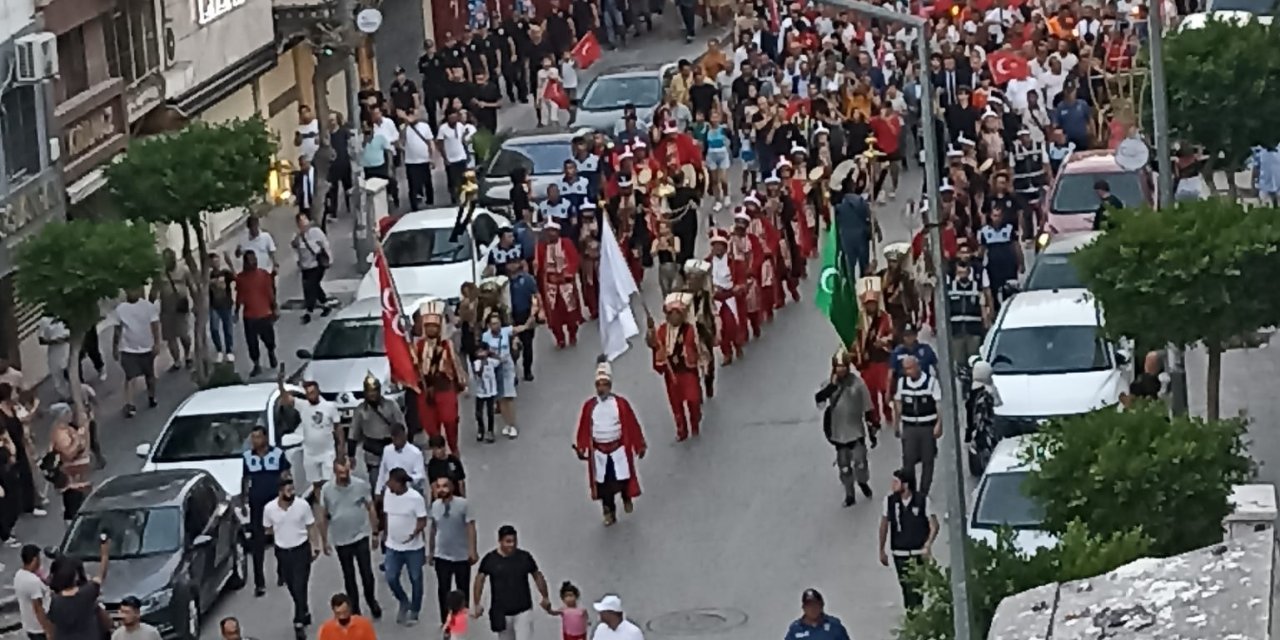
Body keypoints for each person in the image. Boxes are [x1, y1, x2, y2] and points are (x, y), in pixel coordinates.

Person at [574, 360, 647, 526]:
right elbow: (584, 428)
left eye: (605, 384)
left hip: (618, 451)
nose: (602, 388)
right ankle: (609, 511)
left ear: (610, 385)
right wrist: (581, 447)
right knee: (604, 485)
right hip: (600, 454)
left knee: (621, 479)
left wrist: (639, 445)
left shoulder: (620, 404)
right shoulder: (589, 406)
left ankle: (626, 495)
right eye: (599, 385)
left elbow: (632, 425)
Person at [318, 458, 382, 619]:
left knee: (367, 573)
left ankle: (371, 599)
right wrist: (324, 540)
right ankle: (355, 608)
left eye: (346, 472)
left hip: (360, 536)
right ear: (334, 472)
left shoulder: (360, 485)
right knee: (349, 576)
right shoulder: (327, 490)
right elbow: (324, 515)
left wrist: (375, 532)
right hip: (341, 539)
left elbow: (370, 507)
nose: (344, 475)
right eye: (340, 473)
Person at [815, 348, 877, 507]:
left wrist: (872, 428)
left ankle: (863, 482)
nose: (841, 369)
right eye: (838, 366)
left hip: (856, 432)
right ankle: (850, 494)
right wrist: (831, 387)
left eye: (843, 366)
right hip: (839, 433)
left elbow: (868, 407)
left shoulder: (858, 384)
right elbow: (820, 401)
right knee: (844, 468)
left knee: (860, 463)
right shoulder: (829, 384)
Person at [472, 525, 553, 640]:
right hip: (501, 613)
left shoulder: (524, 557)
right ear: (500, 541)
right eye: (508, 541)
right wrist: (477, 603)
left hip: (523, 610)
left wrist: (545, 596)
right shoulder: (490, 559)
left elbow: (537, 576)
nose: (512, 545)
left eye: (514, 541)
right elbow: (479, 580)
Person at [263, 477, 320, 638]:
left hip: (301, 549)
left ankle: (298, 621)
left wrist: (315, 545)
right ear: (280, 492)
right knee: (292, 585)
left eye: (293, 490)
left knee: (300, 583)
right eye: (288, 491)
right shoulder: (269, 509)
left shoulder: (302, 505)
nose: (291, 493)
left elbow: (310, 526)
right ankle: (304, 609)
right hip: (282, 552)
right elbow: (267, 529)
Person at [645, 294, 704, 441]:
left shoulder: (690, 329)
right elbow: (653, 343)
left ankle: (695, 422)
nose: (674, 317)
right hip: (672, 374)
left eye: (677, 314)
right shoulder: (662, 331)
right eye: (671, 314)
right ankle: (682, 430)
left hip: (688, 371)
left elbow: (698, 347)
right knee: (676, 404)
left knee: (693, 400)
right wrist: (651, 331)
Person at [877, 468, 938, 610]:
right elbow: (884, 524)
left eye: (896, 482)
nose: (892, 485)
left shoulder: (922, 500)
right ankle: (912, 615)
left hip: (918, 552)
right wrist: (881, 549)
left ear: (906, 485)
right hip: (900, 552)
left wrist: (928, 544)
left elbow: (934, 525)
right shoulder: (890, 501)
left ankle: (917, 613)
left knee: (917, 586)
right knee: (906, 587)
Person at [241, 421, 291, 597]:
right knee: (258, 543)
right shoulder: (247, 457)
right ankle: (259, 582)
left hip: (275, 502)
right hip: (257, 505)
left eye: (258, 437)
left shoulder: (278, 454)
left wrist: (287, 498)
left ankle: (282, 572)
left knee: (279, 538)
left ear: (266, 438)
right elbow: (245, 480)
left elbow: (285, 475)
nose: (255, 441)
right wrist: (243, 501)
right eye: (253, 438)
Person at [416, 300, 468, 454]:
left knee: (450, 420)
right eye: (428, 326)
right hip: (426, 391)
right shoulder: (418, 346)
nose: (432, 329)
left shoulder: (447, 345)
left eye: (434, 326)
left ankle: (454, 449)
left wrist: (461, 382)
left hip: (444, 388)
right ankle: (437, 452)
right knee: (431, 426)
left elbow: (455, 364)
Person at [381, 467, 429, 626]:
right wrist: (385, 534)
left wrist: (414, 533)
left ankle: (415, 610)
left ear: (400, 484)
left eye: (392, 482)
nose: (388, 485)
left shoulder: (415, 498)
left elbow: (422, 519)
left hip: (413, 548)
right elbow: (387, 515)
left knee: (415, 578)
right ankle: (403, 600)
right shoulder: (388, 494)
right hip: (393, 545)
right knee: (391, 577)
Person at [428, 475, 479, 623]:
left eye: (445, 486)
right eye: (438, 486)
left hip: (461, 555)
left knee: (462, 590)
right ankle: (446, 622)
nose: (441, 490)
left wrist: (472, 550)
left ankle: (462, 622)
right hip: (442, 555)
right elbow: (433, 528)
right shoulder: (435, 506)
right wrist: (431, 551)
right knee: (443, 589)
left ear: (451, 487)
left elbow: (470, 527)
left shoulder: (463, 505)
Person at [893, 356, 943, 497]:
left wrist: (939, 423)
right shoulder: (902, 383)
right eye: (906, 369)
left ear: (918, 366)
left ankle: (924, 492)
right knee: (908, 460)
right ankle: (912, 490)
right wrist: (897, 424)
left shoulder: (931, 382)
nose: (909, 372)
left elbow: (938, 404)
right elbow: (898, 402)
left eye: (911, 368)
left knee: (928, 460)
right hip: (909, 426)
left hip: (927, 426)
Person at [46, 537, 110, 640]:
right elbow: (101, 575)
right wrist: (105, 553)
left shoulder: (54, 601)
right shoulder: (87, 593)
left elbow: (51, 628)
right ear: (75, 577)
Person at [112, 287, 160, 417]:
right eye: (129, 290)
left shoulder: (148, 307)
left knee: (149, 376)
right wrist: (115, 347)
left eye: (134, 290)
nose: (132, 292)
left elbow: (155, 326)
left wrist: (157, 343)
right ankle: (130, 404)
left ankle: (152, 396)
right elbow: (117, 330)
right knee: (130, 377)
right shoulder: (120, 309)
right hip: (128, 349)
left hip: (146, 347)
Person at [535, 222, 582, 348]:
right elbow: (538, 266)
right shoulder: (542, 246)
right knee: (554, 316)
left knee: (571, 312)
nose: (551, 234)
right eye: (548, 231)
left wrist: (569, 273)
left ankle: (572, 334)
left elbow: (574, 259)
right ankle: (559, 338)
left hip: (566, 285)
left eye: (553, 230)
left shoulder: (566, 243)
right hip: (551, 286)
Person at [349, 375, 404, 478]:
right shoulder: (360, 411)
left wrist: (402, 446)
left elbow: (402, 426)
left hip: (392, 450)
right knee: (376, 486)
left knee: (396, 483)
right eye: (369, 391)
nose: (372, 394)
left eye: (374, 391)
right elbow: (353, 433)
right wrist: (351, 455)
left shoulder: (391, 405)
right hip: (372, 454)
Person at [235, 250, 278, 377]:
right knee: (252, 342)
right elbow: (239, 296)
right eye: (250, 260)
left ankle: (271, 352)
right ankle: (256, 364)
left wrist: (274, 307)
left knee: (269, 338)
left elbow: (270, 292)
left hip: (264, 313)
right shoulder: (241, 278)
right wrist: (236, 311)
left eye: (254, 259)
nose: (253, 262)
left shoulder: (263, 275)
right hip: (250, 316)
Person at [478, 312, 522, 438]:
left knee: (509, 397)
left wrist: (532, 318)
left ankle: (512, 425)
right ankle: (507, 424)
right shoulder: (485, 336)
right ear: (488, 325)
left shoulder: (506, 331)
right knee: (500, 398)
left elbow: (520, 328)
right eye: (492, 324)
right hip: (494, 369)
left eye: (497, 323)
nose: (495, 326)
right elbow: (484, 351)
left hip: (507, 368)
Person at [47, 402, 93, 521]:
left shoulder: (67, 428)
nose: (71, 414)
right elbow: (68, 454)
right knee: (73, 508)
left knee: (82, 502)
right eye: (68, 412)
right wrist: (77, 440)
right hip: (70, 478)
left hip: (78, 475)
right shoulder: (60, 434)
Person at [151, 248, 194, 370]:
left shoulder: (184, 270)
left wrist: (196, 302)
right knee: (170, 338)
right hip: (166, 310)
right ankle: (176, 361)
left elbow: (191, 286)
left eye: (170, 258)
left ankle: (187, 356)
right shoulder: (159, 274)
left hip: (181, 308)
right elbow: (154, 292)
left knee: (184, 335)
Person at [298, 380, 342, 495]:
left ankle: (331, 506)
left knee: (329, 482)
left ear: (318, 391)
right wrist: (281, 384)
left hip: (327, 452)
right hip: (310, 454)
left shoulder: (329, 406)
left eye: (313, 392)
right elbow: (287, 399)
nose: (311, 395)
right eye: (308, 393)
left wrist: (341, 450)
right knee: (316, 484)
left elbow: (338, 428)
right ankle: (321, 507)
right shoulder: (302, 406)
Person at [293, 213, 334, 324]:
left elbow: (325, 245)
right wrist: (298, 262)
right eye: (300, 221)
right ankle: (325, 305)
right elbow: (297, 250)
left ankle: (309, 312)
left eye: (304, 220)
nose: (303, 223)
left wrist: (329, 259)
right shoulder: (298, 237)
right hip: (305, 267)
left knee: (310, 287)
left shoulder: (315, 232)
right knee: (313, 286)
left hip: (317, 264)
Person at [506, 259, 541, 382]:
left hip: (526, 314)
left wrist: (536, 313)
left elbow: (536, 296)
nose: (512, 265)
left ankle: (527, 370)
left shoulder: (527, 279)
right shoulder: (504, 282)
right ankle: (512, 372)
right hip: (510, 316)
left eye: (514, 262)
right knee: (511, 347)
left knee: (528, 345)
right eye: (509, 263)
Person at [376, 425, 427, 496]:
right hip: (390, 492)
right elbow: (382, 472)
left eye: (398, 437)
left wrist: (405, 479)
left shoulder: (415, 453)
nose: (396, 440)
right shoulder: (387, 450)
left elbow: (420, 475)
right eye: (394, 437)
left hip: (409, 491)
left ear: (404, 435)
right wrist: (378, 491)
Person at [15, 544, 52, 640]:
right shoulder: (33, 581)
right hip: (38, 629)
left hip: (28, 625)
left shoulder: (19, 575)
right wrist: (48, 630)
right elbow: (38, 608)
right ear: (35, 559)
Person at [783, 589, 851, 640]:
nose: (813, 609)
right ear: (803, 608)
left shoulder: (834, 626)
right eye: (809, 605)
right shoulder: (796, 629)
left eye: (816, 605)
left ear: (822, 606)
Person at [207, 252, 237, 363]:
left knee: (227, 328)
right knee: (214, 328)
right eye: (213, 262)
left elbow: (236, 277)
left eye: (217, 261)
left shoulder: (225, 273)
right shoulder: (208, 276)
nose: (215, 264)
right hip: (213, 306)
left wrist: (230, 264)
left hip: (226, 305)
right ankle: (219, 350)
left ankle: (229, 351)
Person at [37, 316, 71, 400]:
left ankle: (77, 390)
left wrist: (66, 338)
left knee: (70, 370)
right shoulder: (44, 320)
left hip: (67, 347)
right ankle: (66, 395)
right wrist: (55, 341)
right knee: (57, 373)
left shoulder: (64, 314)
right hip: (55, 352)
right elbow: (41, 340)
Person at [472, 342, 500, 442]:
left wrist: (492, 353)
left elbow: (499, 360)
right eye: (479, 351)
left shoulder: (492, 361)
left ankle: (490, 431)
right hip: (480, 391)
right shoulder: (476, 363)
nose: (481, 353)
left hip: (491, 391)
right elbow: (477, 373)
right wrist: (482, 365)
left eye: (483, 351)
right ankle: (481, 428)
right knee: (478, 413)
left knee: (490, 413)